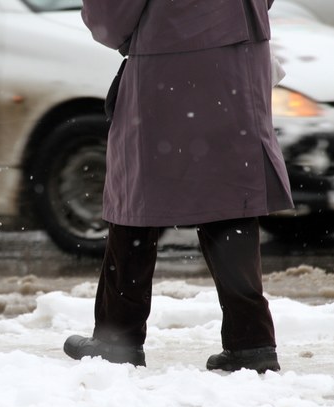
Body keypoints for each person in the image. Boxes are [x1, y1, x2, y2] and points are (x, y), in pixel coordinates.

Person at [63, 0, 293, 373]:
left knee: (138, 197)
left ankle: (117, 337)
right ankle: (251, 341)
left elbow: (110, 16)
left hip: (168, 57)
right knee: (228, 194)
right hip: (239, 58)